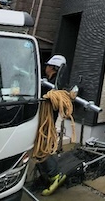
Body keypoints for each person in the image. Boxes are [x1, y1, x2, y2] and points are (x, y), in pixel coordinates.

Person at [37, 55, 67, 196]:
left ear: (52, 68)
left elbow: (54, 100)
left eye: (48, 65)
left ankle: (55, 174)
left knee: (42, 147)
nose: (46, 67)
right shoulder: (49, 82)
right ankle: (47, 175)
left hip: (46, 120)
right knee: (40, 147)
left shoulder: (55, 85)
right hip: (41, 119)